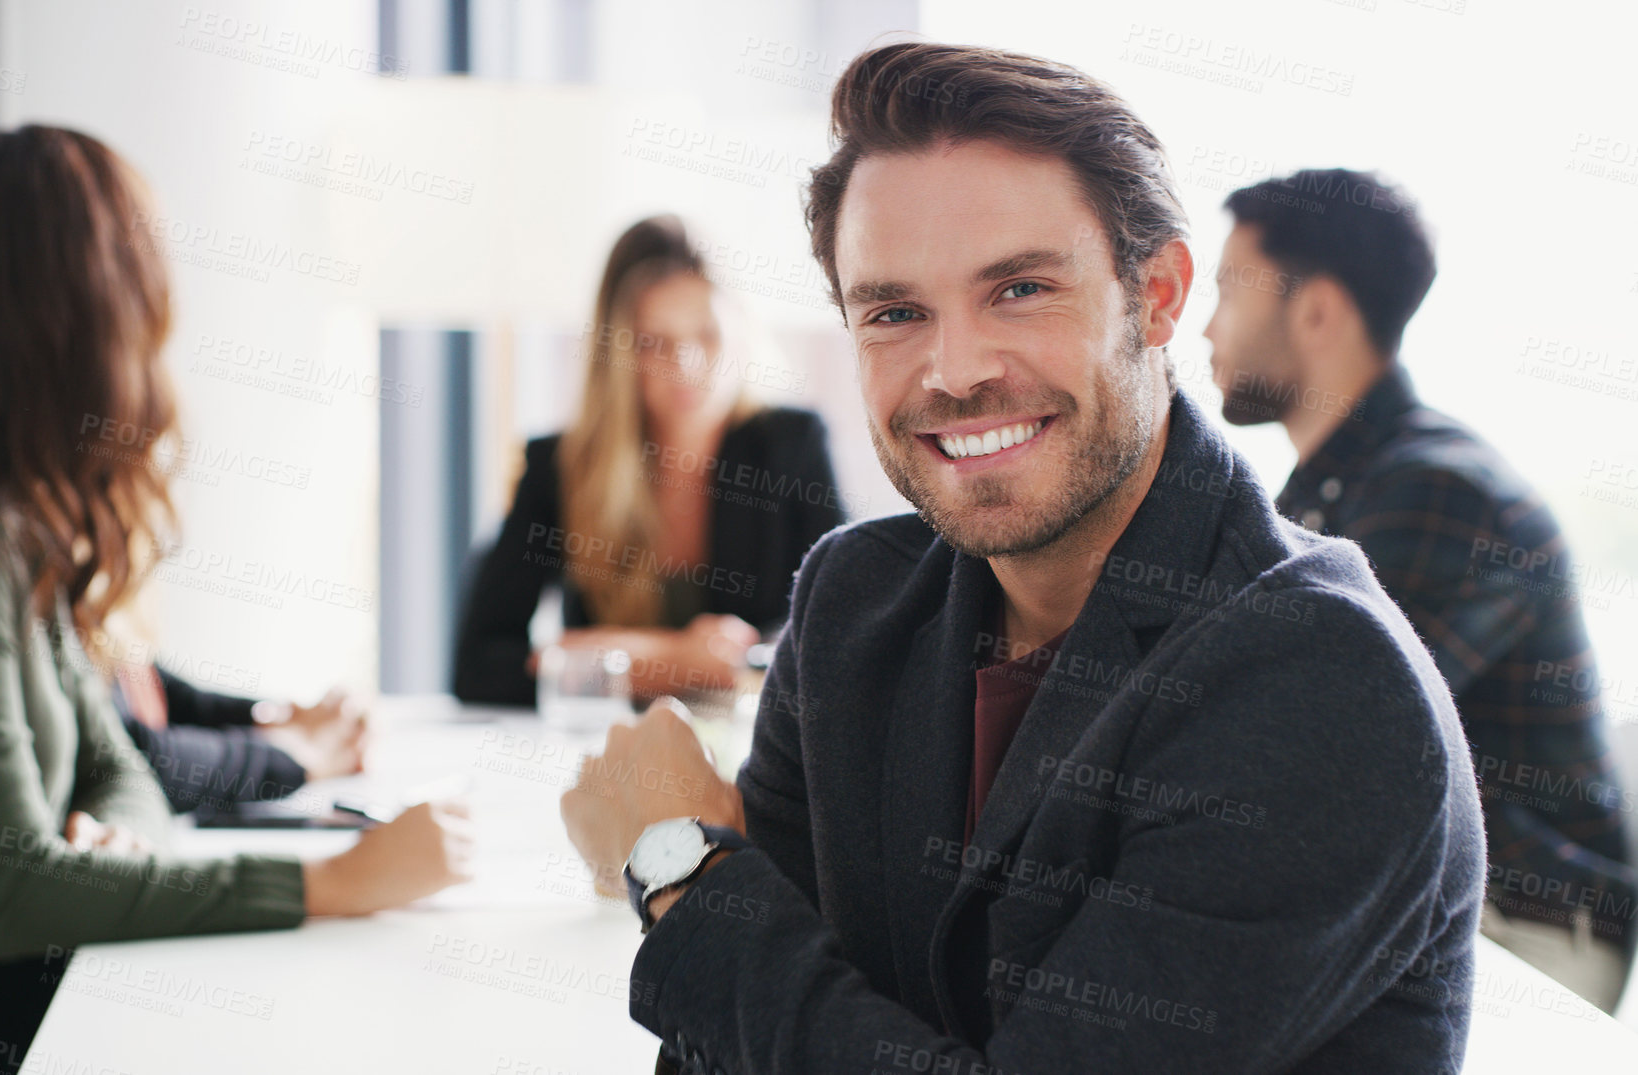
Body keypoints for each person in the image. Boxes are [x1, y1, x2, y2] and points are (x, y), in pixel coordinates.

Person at [559, 44, 1486, 1073]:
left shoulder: (1319, 677)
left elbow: (759, 1006)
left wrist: (678, 866)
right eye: (896, 313)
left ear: (1161, 296)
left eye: (1021, 289)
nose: (953, 372)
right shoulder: (851, 604)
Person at [0, 126, 471, 1072]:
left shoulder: (1, 519)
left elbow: (122, 768)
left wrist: (118, 840)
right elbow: (10, 890)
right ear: (67, 319)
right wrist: (337, 880)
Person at [1205, 168, 1635, 1010]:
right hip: (1419, 900)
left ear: (1318, 310)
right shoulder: (1320, 498)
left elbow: (1321, 734)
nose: (1206, 327)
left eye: (1228, 290)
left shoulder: (1442, 490)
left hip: (1527, 926)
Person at [453, 215, 847, 707]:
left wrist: (591, 656)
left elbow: (841, 638)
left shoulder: (791, 444)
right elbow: (478, 665)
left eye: (705, 336)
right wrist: (670, 659)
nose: (685, 366)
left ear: (740, 333)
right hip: (608, 761)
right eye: (652, 343)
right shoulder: (561, 465)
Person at [110, 660, 368, 817]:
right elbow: (140, 757)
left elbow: (182, 700)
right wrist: (300, 760)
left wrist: (287, 717)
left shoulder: (108, 622)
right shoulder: (78, 630)